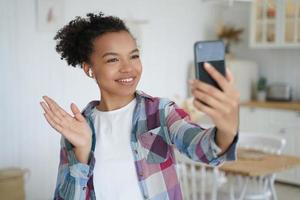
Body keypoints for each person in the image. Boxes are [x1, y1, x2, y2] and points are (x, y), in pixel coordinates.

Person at [40, 12, 240, 200]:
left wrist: (227, 128)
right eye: (113, 59)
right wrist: (82, 152)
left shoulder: (161, 112)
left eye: (134, 56)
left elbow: (203, 147)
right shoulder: (76, 130)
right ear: (89, 69)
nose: (128, 68)